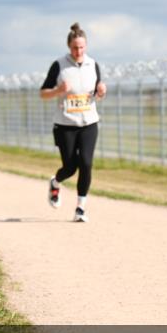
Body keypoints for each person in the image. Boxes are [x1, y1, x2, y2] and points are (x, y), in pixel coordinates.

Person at [39, 22, 106, 222]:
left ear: (86, 46)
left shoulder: (93, 65)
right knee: (70, 167)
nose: (79, 51)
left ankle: (80, 208)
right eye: (75, 47)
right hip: (65, 125)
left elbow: (97, 92)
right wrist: (58, 91)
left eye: (82, 47)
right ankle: (56, 182)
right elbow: (43, 93)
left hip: (89, 123)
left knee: (86, 163)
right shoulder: (59, 65)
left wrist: (101, 91)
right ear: (69, 46)